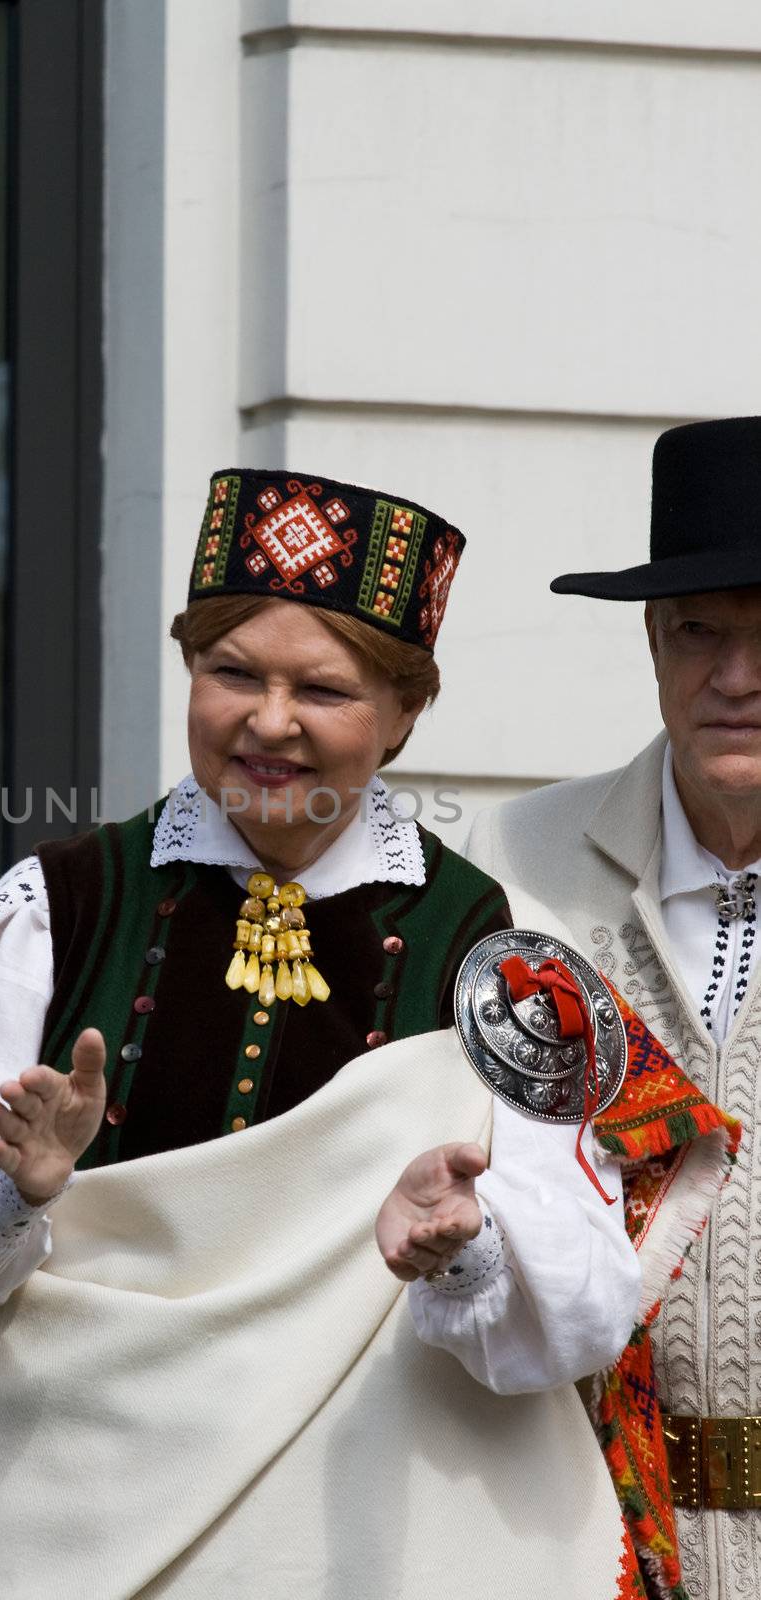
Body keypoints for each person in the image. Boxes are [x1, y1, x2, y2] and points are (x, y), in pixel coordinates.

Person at [0, 467, 718, 1600]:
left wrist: (465, 1247)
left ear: (404, 713)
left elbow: (582, 1302)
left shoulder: (492, 951)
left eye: (325, 689)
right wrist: (9, 1188)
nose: (269, 721)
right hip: (73, 1538)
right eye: (230, 672)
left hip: (374, 1554)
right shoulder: (57, 910)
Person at [467, 416, 761, 1600]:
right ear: (650, 641)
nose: (734, 677)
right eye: (701, 631)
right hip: (573, 1539)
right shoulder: (512, 860)